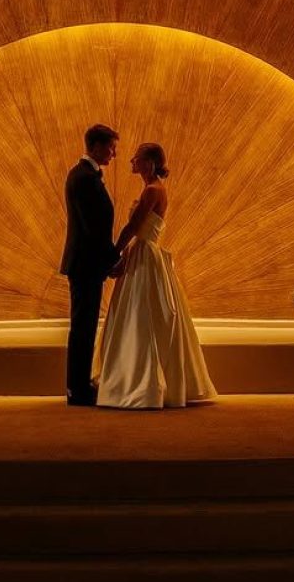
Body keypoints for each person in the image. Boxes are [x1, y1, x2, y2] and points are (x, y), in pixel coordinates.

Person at [93, 143, 217, 409]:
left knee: (139, 316)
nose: (130, 161)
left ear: (148, 162)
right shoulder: (156, 188)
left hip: (145, 255)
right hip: (145, 252)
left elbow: (134, 226)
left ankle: (137, 383)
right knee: (144, 315)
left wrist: (113, 255)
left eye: (136, 158)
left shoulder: (152, 190)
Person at [60, 124, 122, 406]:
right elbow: (92, 228)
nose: (114, 153)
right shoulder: (84, 178)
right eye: (111, 147)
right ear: (95, 146)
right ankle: (77, 390)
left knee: (84, 326)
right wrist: (112, 260)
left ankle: (80, 385)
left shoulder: (84, 175)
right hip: (85, 264)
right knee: (82, 327)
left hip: (86, 263)